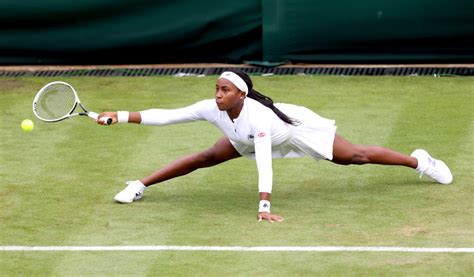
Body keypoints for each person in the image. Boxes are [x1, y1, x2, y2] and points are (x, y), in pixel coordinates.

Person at [97, 70, 453, 222]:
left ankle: (418, 161)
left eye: (225, 90)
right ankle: (139, 185)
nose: (217, 94)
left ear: (242, 94)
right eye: (216, 88)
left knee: (354, 157)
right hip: (244, 138)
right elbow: (166, 116)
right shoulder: (212, 108)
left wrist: (263, 205)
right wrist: (122, 114)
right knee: (204, 157)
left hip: (294, 131)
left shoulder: (259, 116)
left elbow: (264, 160)